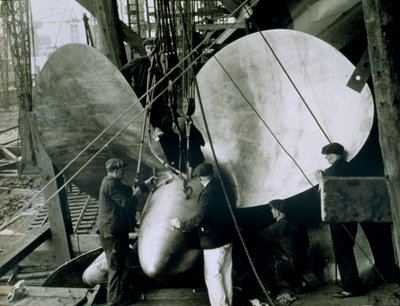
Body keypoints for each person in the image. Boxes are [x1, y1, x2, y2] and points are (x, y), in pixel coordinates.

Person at [315, 142, 399, 298]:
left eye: (328, 155)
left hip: (339, 216)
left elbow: (330, 194)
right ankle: (354, 283)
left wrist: (322, 180)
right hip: (353, 215)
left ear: (337, 156)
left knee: (342, 251)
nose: (326, 158)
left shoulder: (334, 171)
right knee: (346, 249)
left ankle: (351, 287)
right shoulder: (350, 167)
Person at [169, 162, 235, 306]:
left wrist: (181, 225)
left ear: (200, 179)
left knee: (212, 275)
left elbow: (201, 218)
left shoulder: (207, 194)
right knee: (226, 273)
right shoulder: (222, 186)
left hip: (214, 242)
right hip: (227, 238)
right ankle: (228, 302)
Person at [98, 157, 156, 305]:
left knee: (123, 265)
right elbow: (127, 203)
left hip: (116, 231)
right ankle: (114, 300)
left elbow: (127, 191)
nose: (123, 173)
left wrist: (144, 185)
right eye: (122, 171)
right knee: (117, 267)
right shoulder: (111, 184)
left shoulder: (111, 182)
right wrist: (137, 195)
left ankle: (121, 295)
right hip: (113, 233)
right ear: (115, 170)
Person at [255, 200, 309, 299]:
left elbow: (257, 238)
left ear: (278, 211)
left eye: (272, 209)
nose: (271, 211)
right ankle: (299, 280)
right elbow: (306, 243)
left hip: (290, 265)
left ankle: (276, 288)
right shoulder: (298, 223)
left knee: (263, 258)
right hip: (303, 262)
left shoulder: (276, 227)